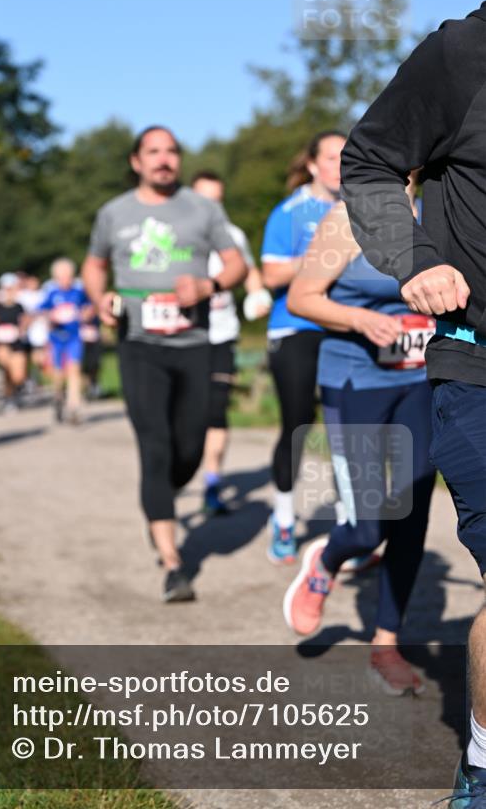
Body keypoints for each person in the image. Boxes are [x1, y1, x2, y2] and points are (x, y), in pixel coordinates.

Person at [339, 1, 486, 802]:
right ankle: (484, 773)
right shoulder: (463, 53)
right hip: (475, 363)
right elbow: (367, 163)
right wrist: (413, 258)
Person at [82, 125, 247, 602]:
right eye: (153, 152)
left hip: (194, 342)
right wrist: (100, 298)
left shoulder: (203, 208)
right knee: (154, 446)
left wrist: (209, 286)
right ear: (136, 161)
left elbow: (235, 265)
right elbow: (94, 265)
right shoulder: (114, 213)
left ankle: (161, 499)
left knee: (189, 450)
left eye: (171, 151)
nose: (163, 159)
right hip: (138, 344)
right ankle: (174, 563)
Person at [283, 182, 435, 693]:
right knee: (370, 526)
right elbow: (302, 298)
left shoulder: (443, 209)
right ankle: (326, 560)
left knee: (412, 515)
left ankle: (386, 644)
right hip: (356, 380)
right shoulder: (349, 217)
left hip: (422, 380)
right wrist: (360, 319)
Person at [260, 131, 346, 564]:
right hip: (296, 328)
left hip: (346, 328)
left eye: (346, 158)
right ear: (312, 165)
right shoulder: (291, 211)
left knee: (346, 426)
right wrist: (326, 255)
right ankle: (284, 517)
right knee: (298, 424)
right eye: (332, 158)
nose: (340, 165)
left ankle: (351, 524)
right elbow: (271, 274)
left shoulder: (362, 207)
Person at [191, 170, 269, 515]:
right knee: (184, 412)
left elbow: (249, 271)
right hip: (184, 337)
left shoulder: (232, 235)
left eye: (217, 199)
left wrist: (256, 293)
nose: (211, 206)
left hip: (222, 333)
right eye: (204, 198)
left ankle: (211, 482)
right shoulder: (178, 235)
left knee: (216, 409)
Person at [38, 258, 92, 423]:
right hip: (56, 339)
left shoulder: (78, 292)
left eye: (67, 276)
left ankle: (73, 407)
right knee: (58, 375)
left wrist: (86, 315)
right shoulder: (52, 294)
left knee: (74, 370)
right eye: (61, 276)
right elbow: (42, 311)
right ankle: (58, 398)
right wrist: (51, 318)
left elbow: (89, 306)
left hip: (74, 337)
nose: (65, 279)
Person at [0, 274, 28, 411]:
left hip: (16, 343)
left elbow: (24, 322)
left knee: (18, 375)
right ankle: (9, 397)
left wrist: (22, 328)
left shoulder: (19, 306)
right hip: (1, 344)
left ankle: (16, 391)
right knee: (7, 370)